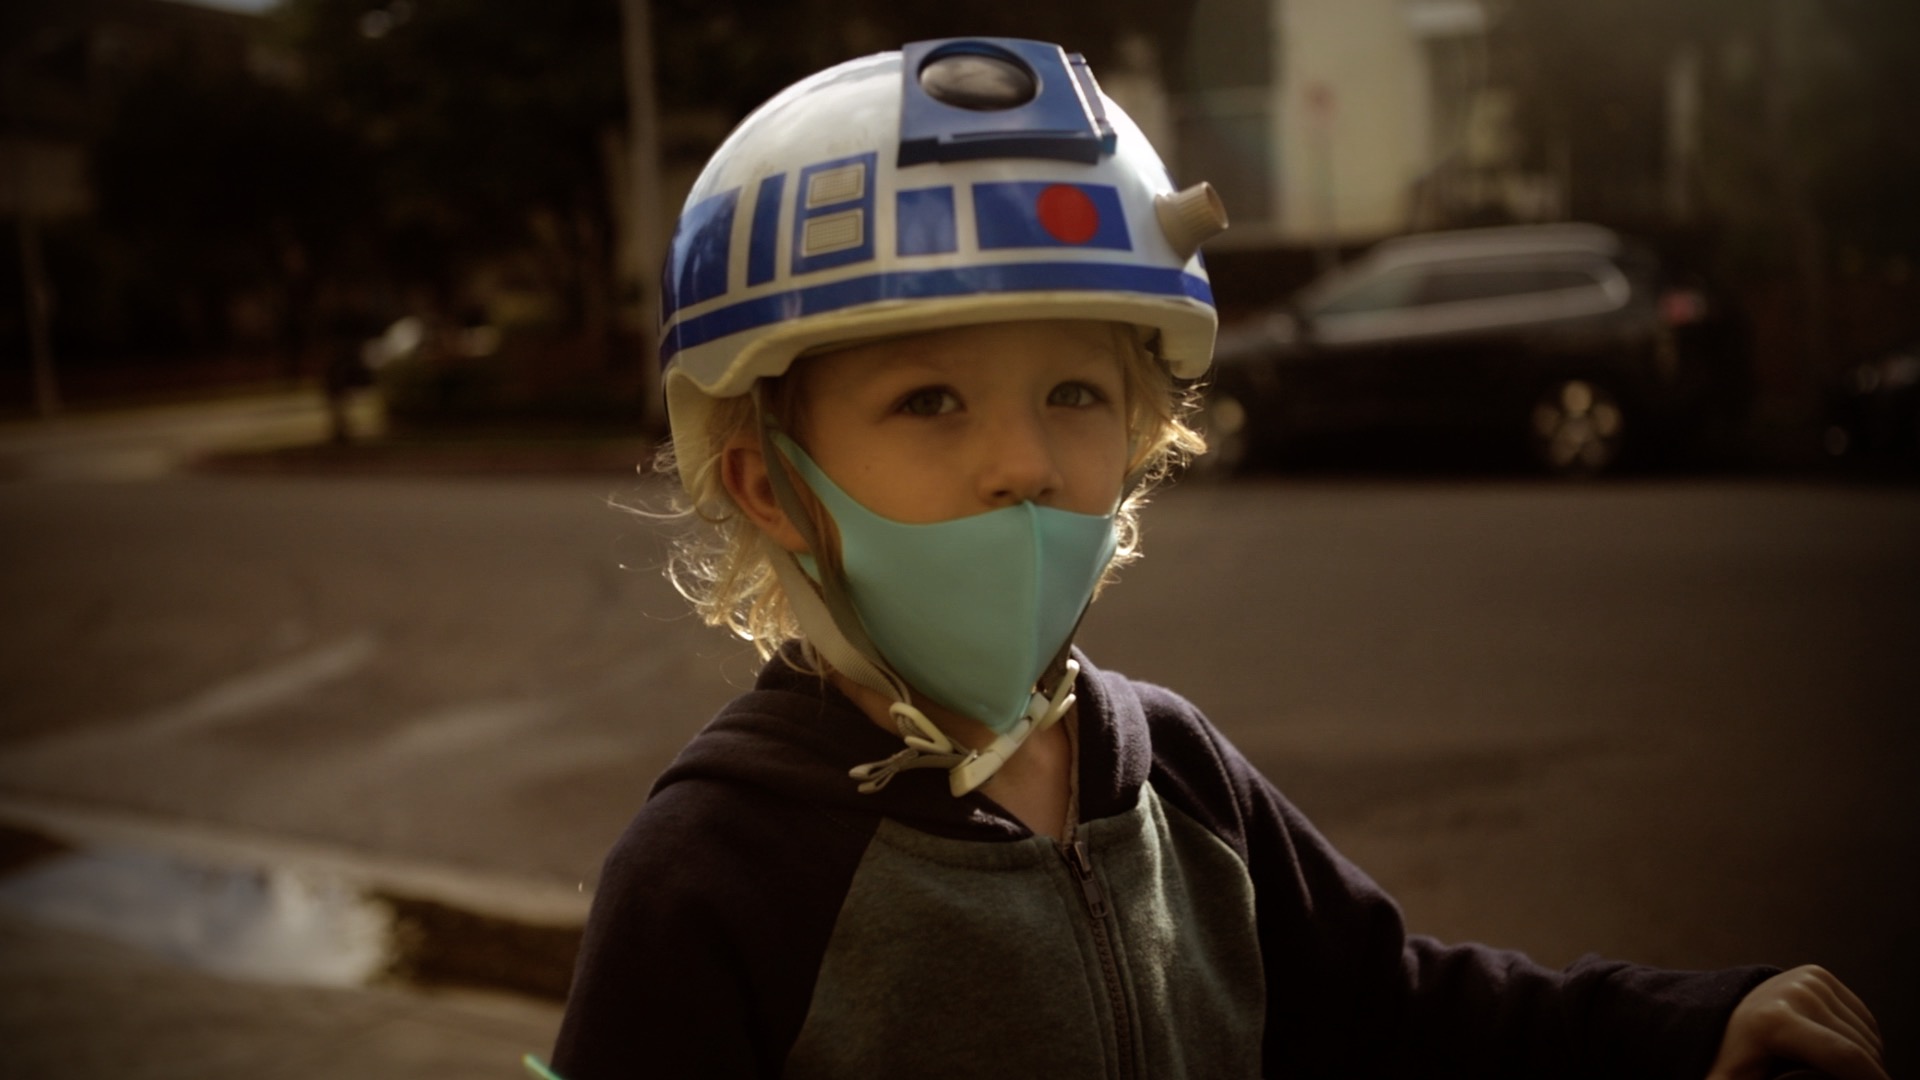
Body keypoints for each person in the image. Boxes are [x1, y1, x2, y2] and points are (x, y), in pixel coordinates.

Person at [533, 38, 1888, 1080]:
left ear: (1140, 430)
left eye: (1073, 394)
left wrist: (1686, 1023)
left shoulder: (1177, 774)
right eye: (930, 402)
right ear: (769, 482)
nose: (1025, 463)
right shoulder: (708, 877)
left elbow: (1395, 1009)